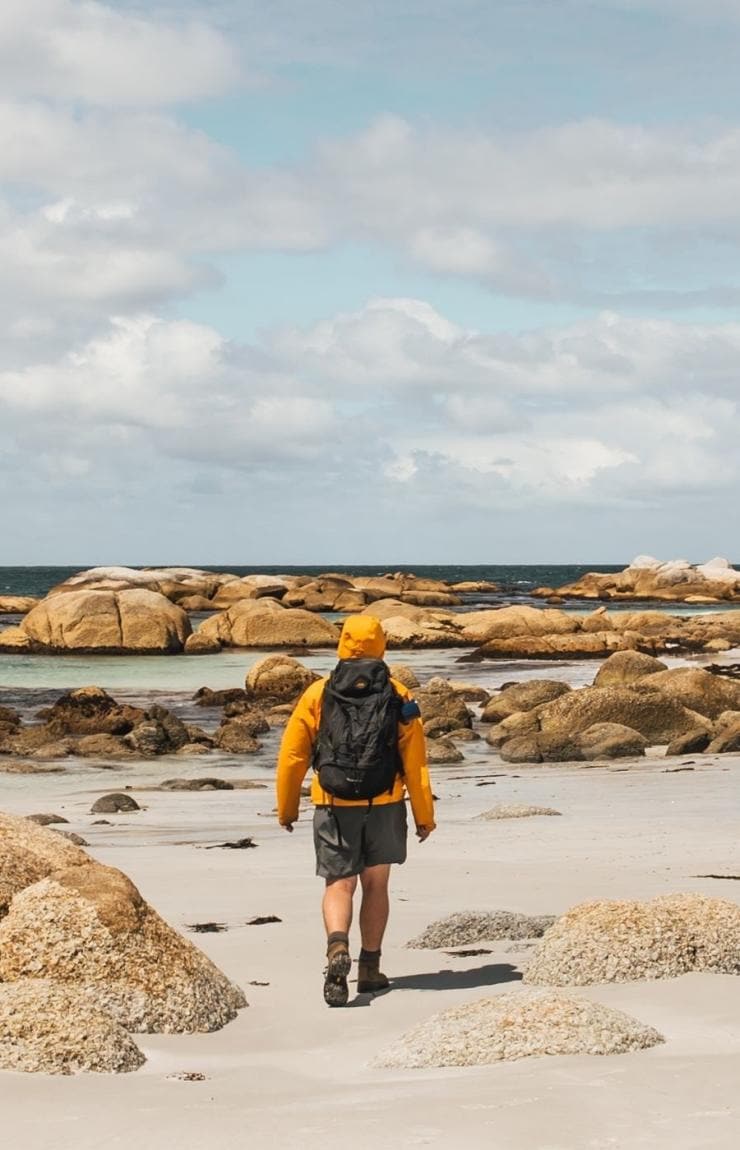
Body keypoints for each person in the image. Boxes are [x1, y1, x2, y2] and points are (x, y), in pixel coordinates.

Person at [276, 614, 435, 1007]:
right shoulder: (399, 694)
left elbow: (293, 756)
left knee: (339, 884)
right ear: (381, 643)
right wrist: (424, 815)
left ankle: (336, 947)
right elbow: (414, 761)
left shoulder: (318, 693)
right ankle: (369, 969)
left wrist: (287, 808)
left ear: (342, 642)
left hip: (333, 804)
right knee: (376, 885)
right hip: (384, 802)